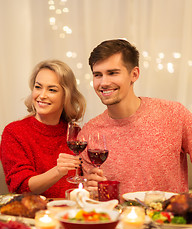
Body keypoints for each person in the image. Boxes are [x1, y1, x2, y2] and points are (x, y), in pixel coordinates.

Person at [81, 39, 192, 195]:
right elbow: (94, 197)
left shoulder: (174, 114)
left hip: (169, 217)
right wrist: (92, 189)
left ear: (134, 74)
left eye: (112, 73)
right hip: (118, 218)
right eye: (97, 75)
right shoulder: (89, 133)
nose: (104, 82)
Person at [0, 59, 86, 198]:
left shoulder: (75, 134)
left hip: (71, 214)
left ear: (66, 96)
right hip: (34, 216)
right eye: (38, 87)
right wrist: (57, 171)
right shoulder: (14, 132)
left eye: (52, 90)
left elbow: (81, 185)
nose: (42, 95)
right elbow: (21, 187)